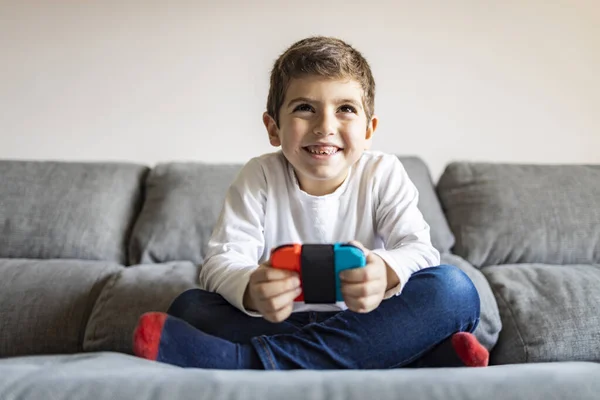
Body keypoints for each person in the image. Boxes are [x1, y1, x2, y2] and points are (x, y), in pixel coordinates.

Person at [132, 36, 489, 370]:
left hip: (366, 318)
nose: (325, 126)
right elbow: (220, 262)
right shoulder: (259, 175)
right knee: (190, 307)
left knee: (454, 290)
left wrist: (384, 271)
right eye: (305, 108)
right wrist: (253, 288)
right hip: (283, 318)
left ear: (368, 131)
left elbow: (420, 251)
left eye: (345, 109)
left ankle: (246, 362)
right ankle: (414, 357)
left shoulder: (383, 172)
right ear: (274, 128)